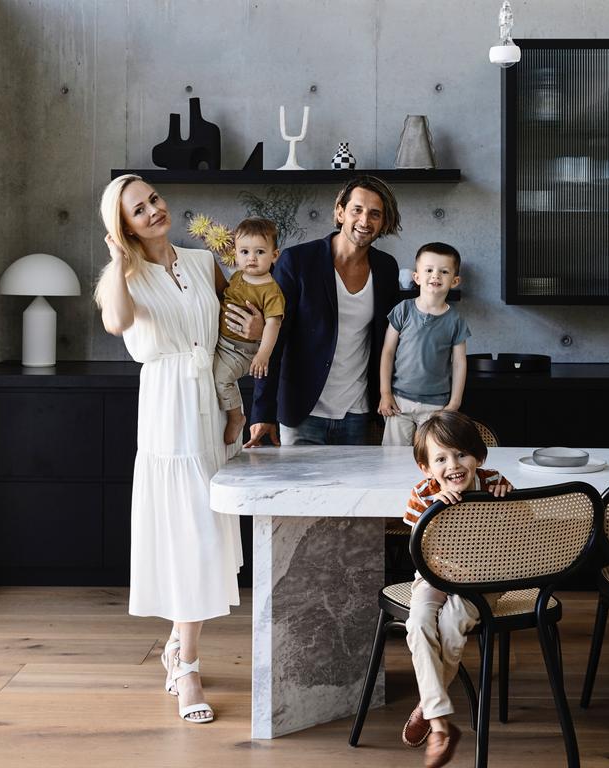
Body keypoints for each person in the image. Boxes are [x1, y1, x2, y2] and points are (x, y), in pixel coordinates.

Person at [93, 174, 264, 724]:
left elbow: (228, 339)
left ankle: (175, 644)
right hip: (167, 411)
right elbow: (117, 323)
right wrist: (119, 259)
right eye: (138, 210)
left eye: (154, 199)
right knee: (188, 530)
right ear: (124, 226)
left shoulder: (201, 262)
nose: (153, 211)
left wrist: (254, 344)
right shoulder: (122, 275)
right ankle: (186, 666)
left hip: (209, 404)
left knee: (205, 532)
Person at [246, 175, 400, 447]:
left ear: (384, 222)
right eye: (357, 210)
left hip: (356, 412)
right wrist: (262, 412)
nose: (365, 221)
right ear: (340, 212)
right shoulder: (298, 262)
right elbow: (275, 341)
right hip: (302, 412)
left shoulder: (386, 268)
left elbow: (390, 340)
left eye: (375, 214)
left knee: (354, 491)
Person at [402, 410, 513, 768]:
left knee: (451, 628)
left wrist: (506, 499)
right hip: (434, 575)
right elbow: (420, 548)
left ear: (478, 457)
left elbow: (516, 534)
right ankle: (439, 723)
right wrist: (433, 512)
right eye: (441, 458)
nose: (453, 464)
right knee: (418, 623)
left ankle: (430, 715)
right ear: (426, 468)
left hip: (483, 581)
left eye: (462, 454)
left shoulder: (494, 482)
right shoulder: (423, 494)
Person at [378, 242, 469, 446]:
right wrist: (385, 393)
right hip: (399, 401)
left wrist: (455, 402)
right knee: (393, 459)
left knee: (432, 456)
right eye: (429, 270)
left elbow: (459, 363)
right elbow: (388, 352)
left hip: (436, 405)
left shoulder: (455, 320)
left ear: (454, 281)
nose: (435, 275)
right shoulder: (403, 310)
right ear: (417, 277)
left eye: (443, 271)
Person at [214, 217, 285, 445]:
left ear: (274, 255)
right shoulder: (237, 277)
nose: (251, 258)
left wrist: (263, 355)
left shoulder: (271, 290)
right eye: (244, 251)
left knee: (221, 379)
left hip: (242, 351)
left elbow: (273, 324)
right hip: (221, 343)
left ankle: (236, 417)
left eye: (260, 252)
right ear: (235, 253)